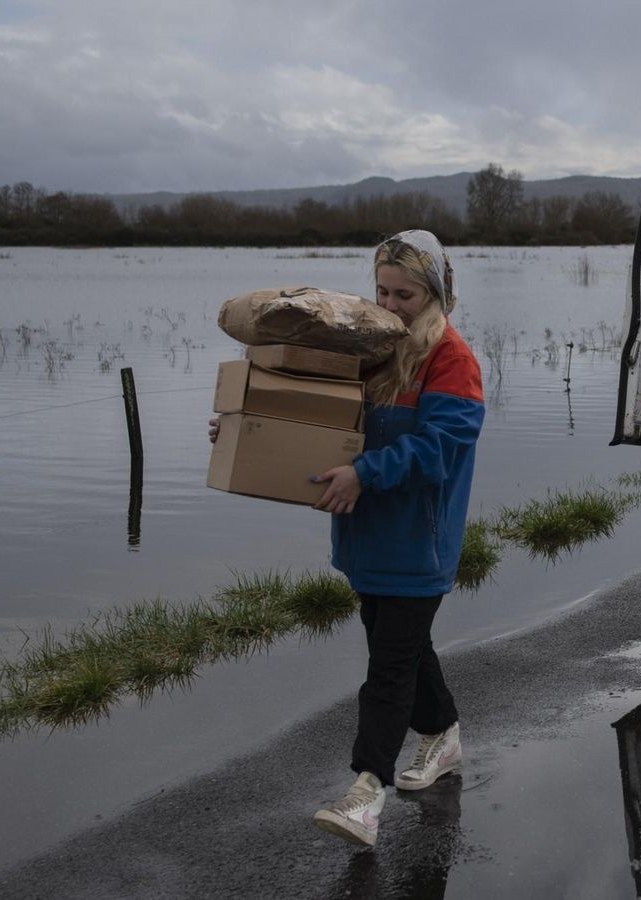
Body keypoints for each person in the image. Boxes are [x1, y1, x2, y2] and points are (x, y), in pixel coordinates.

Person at [212, 230, 484, 848]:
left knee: (388, 668)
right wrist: (249, 428)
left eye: (406, 294)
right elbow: (322, 421)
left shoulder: (452, 359)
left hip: (419, 541)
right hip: (367, 539)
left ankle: (366, 793)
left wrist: (366, 472)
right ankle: (442, 736)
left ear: (436, 293)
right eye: (383, 290)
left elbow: (440, 447)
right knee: (405, 651)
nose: (390, 305)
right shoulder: (372, 351)